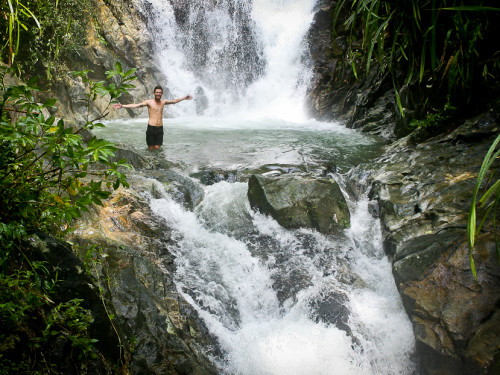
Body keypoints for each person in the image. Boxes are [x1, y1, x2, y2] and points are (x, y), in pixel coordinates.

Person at [113, 85, 193, 150]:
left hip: (160, 128)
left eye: (160, 92)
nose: (158, 94)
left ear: (162, 94)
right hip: (151, 128)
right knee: (151, 148)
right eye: (157, 92)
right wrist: (122, 106)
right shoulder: (149, 102)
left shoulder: (163, 102)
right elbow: (136, 105)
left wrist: (184, 98)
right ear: (154, 93)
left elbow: (174, 101)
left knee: (157, 148)